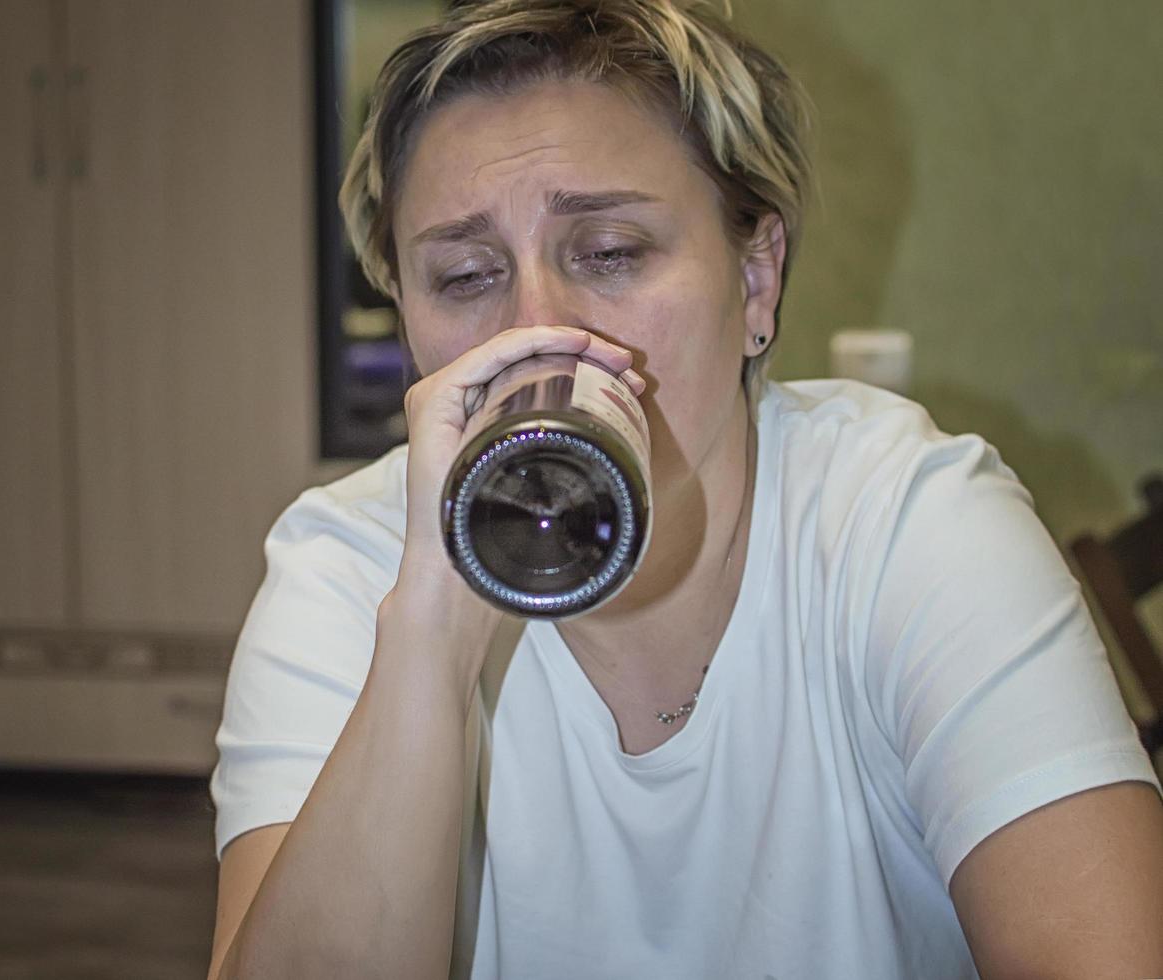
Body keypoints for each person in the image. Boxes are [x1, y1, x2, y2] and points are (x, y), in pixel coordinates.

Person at [206, 2, 1163, 977]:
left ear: (754, 278)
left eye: (610, 251)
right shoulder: (345, 565)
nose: (536, 327)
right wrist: (432, 627)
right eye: (463, 274)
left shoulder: (906, 519)